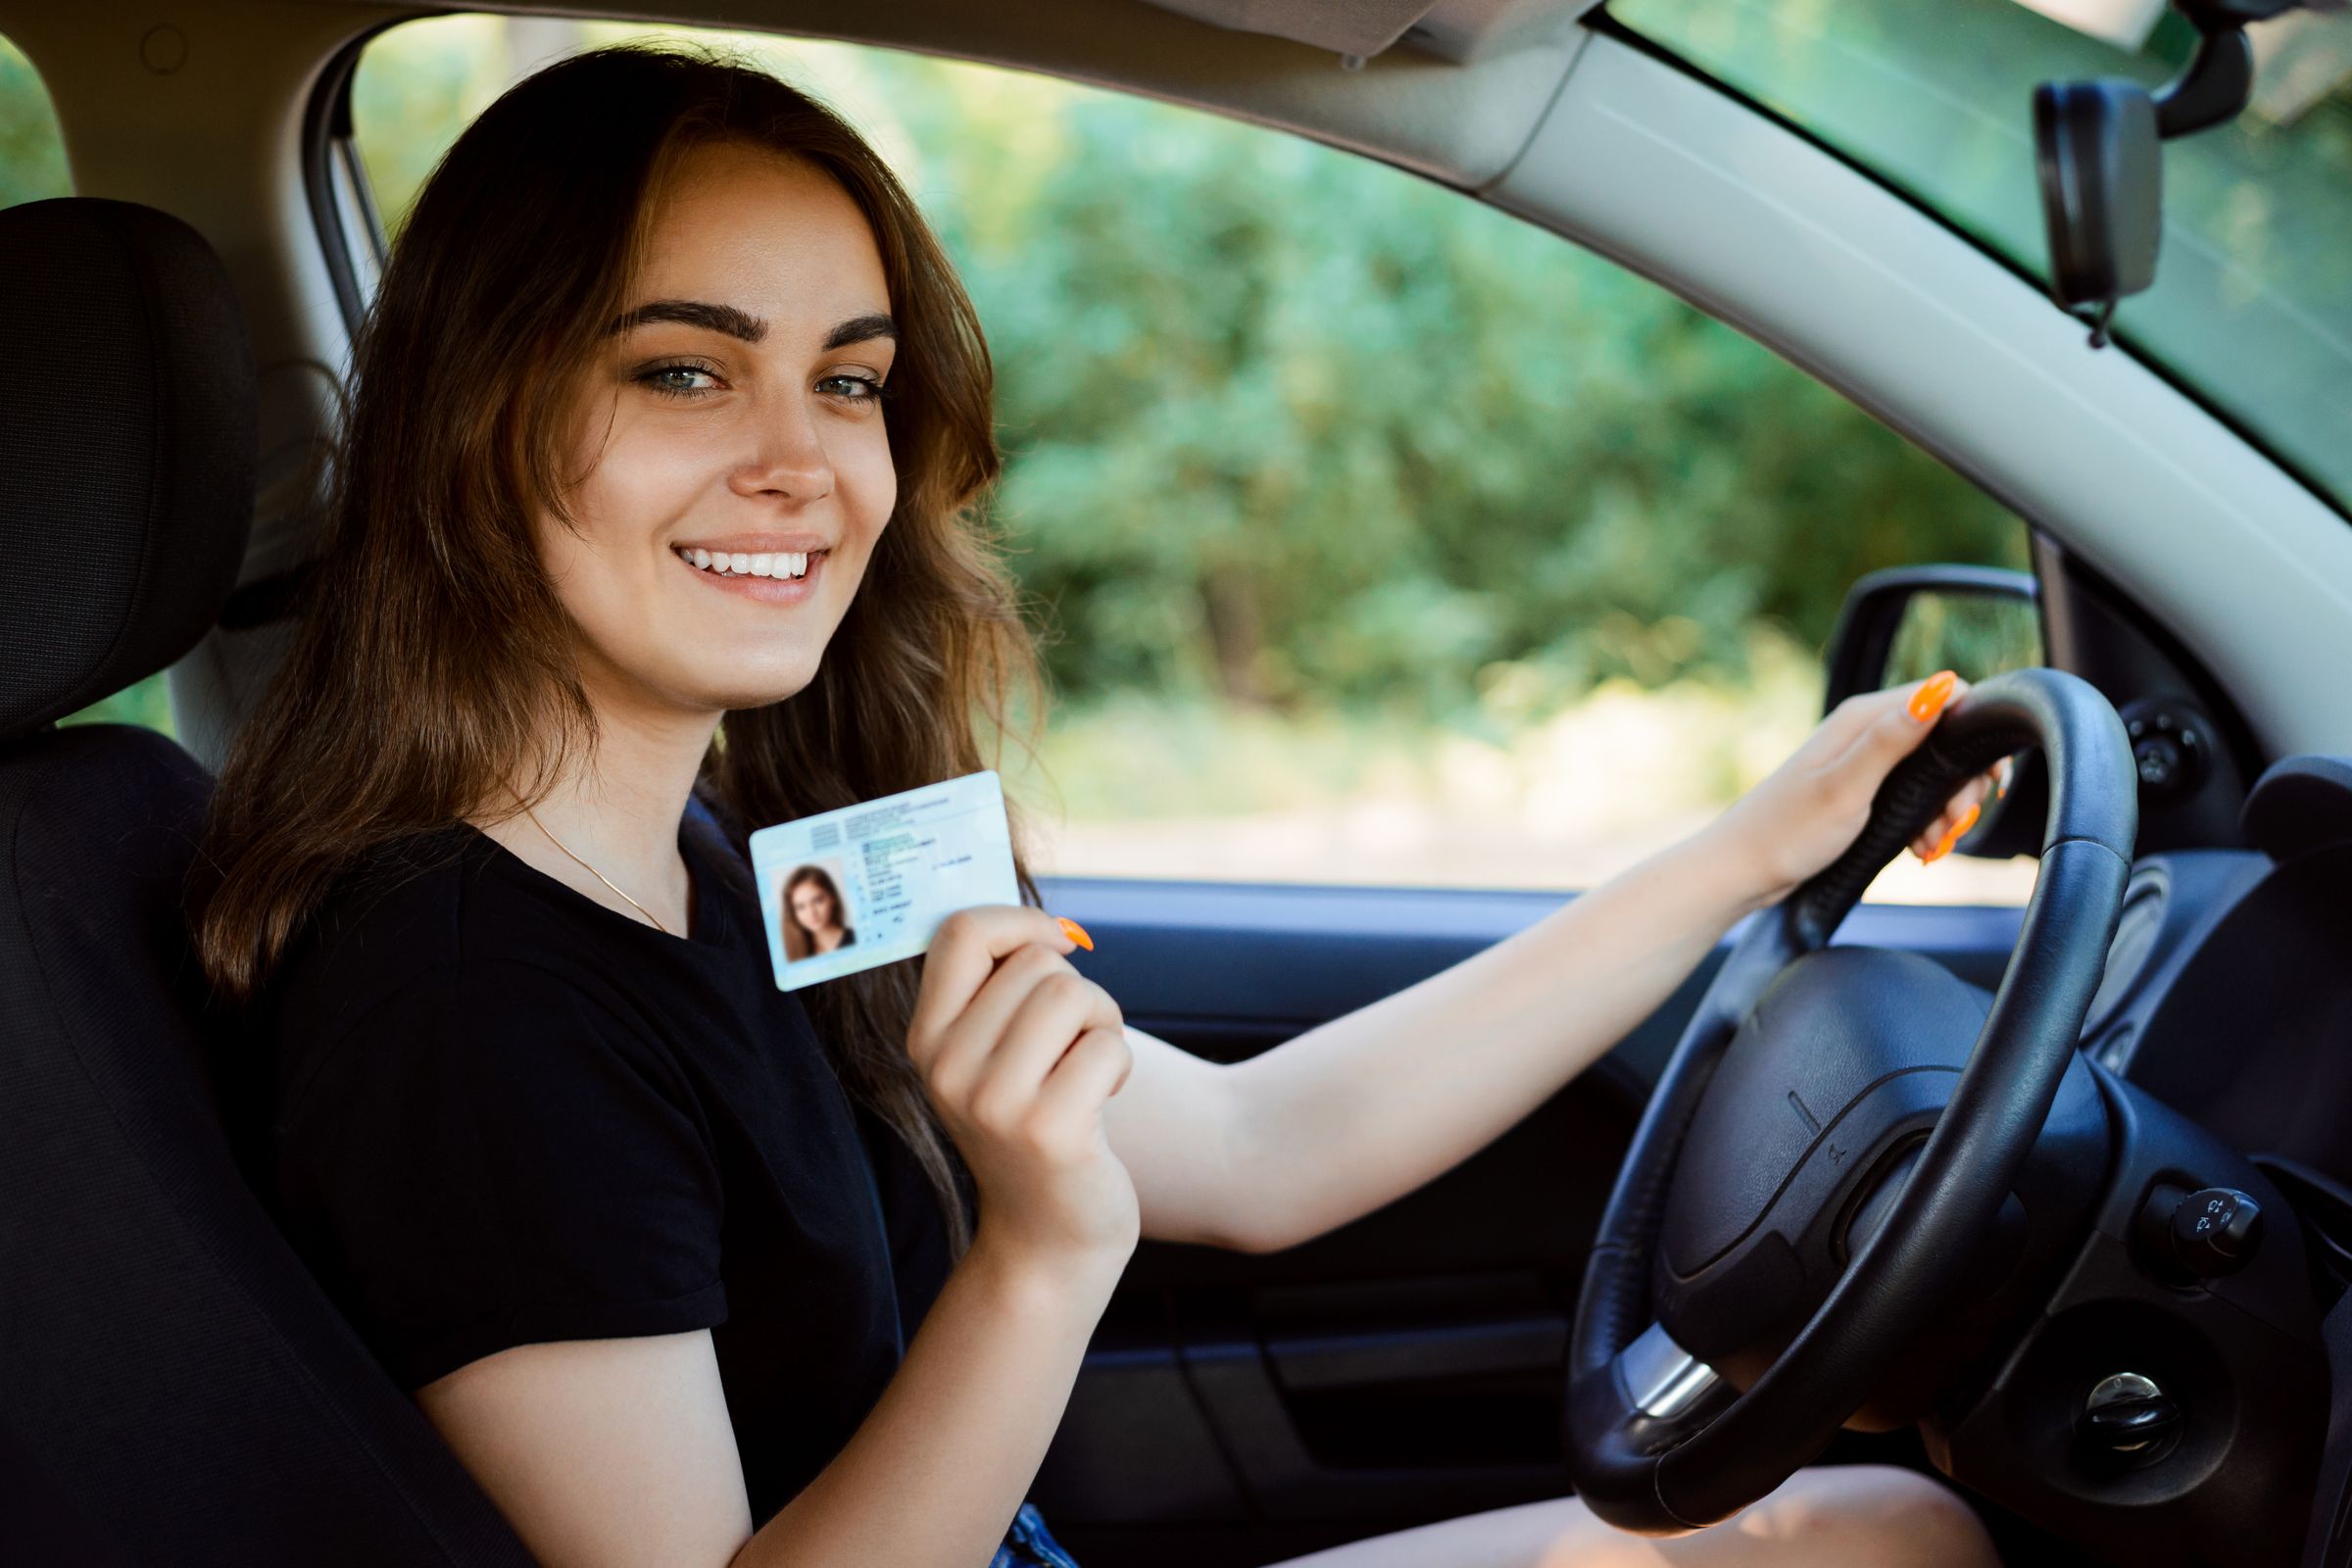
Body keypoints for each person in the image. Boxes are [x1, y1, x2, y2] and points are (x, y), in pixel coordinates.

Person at [192, 40, 2007, 1568]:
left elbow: (1267, 1150)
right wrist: (1048, 1255)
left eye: (849, 382)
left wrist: (1752, 848)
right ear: (470, 420)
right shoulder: (460, 1008)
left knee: (1875, 1532)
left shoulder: (732, 862)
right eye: (683, 369)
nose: (802, 462)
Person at [783, 864, 858, 958]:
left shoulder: (857, 939)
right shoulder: (794, 953)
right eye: (801, 907)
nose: (811, 913)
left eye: (818, 900)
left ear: (832, 897)